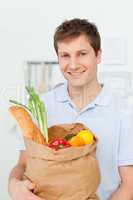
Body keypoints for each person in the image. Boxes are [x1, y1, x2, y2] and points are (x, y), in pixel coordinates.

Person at [8, 18, 133, 200]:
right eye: (65, 55)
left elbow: (128, 185)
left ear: (98, 55)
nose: (73, 65)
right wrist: (13, 185)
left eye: (82, 54)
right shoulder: (40, 108)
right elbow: (23, 164)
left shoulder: (124, 113)